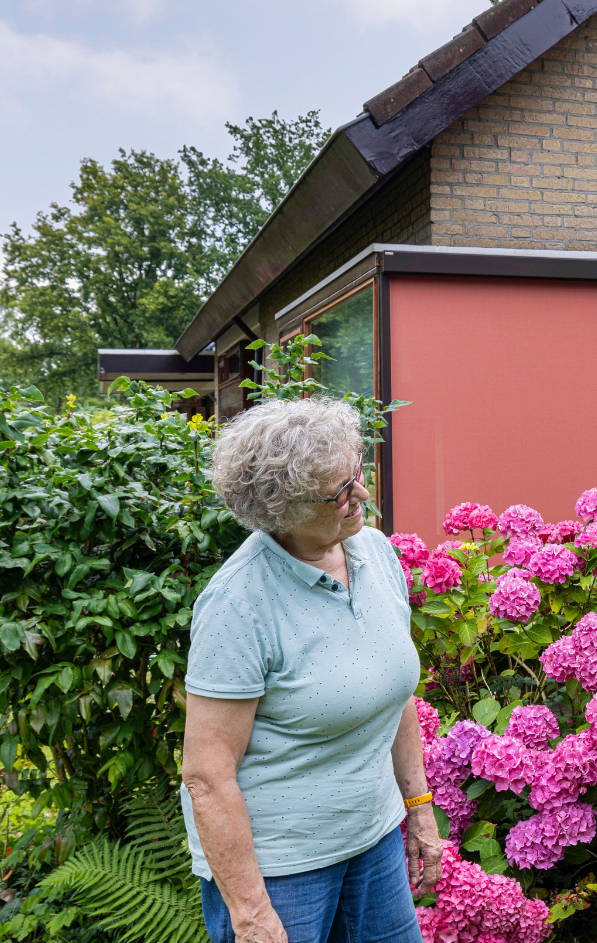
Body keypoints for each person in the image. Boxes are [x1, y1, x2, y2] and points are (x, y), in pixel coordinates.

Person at [182, 396, 443, 943]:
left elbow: (391, 693)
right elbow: (207, 775)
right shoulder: (238, 603)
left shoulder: (375, 553)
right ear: (284, 511)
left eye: (357, 473)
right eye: (341, 492)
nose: (363, 494)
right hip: (280, 871)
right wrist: (251, 914)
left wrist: (417, 808)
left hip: (373, 843)